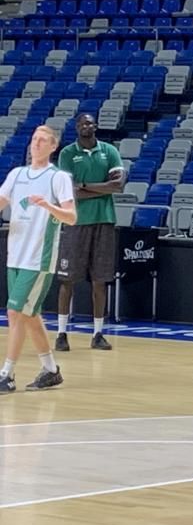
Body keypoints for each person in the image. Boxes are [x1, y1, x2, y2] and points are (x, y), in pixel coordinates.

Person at [0, 126, 77, 394]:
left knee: (15, 312)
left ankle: (7, 374)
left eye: (42, 140)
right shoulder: (17, 174)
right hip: (16, 255)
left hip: (39, 257)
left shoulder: (58, 178)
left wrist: (48, 206)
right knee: (30, 314)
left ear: (53, 146)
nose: (36, 143)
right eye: (34, 139)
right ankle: (51, 370)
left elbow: (71, 217)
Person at [55, 113, 124, 352]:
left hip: (104, 220)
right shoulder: (67, 153)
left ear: (95, 126)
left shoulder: (109, 151)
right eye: (83, 123)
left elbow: (118, 185)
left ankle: (98, 334)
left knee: (100, 279)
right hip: (75, 221)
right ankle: (62, 333)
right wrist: (101, 189)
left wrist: (84, 187)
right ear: (76, 127)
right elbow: (68, 192)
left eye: (90, 123)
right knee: (67, 279)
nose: (87, 126)